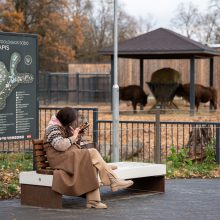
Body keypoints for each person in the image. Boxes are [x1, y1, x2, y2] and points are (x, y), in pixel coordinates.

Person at [44, 107, 133, 209]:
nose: (73, 122)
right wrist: (73, 137)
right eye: (72, 121)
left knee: (91, 163)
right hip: (59, 159)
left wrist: (77, 135)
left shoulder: (64, 126)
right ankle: (113, 179)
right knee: (93, 153)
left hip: (68, 156)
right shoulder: (53, 128)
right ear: (66, 120)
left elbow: (72, 144)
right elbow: (60, 145)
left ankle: (93, 202)